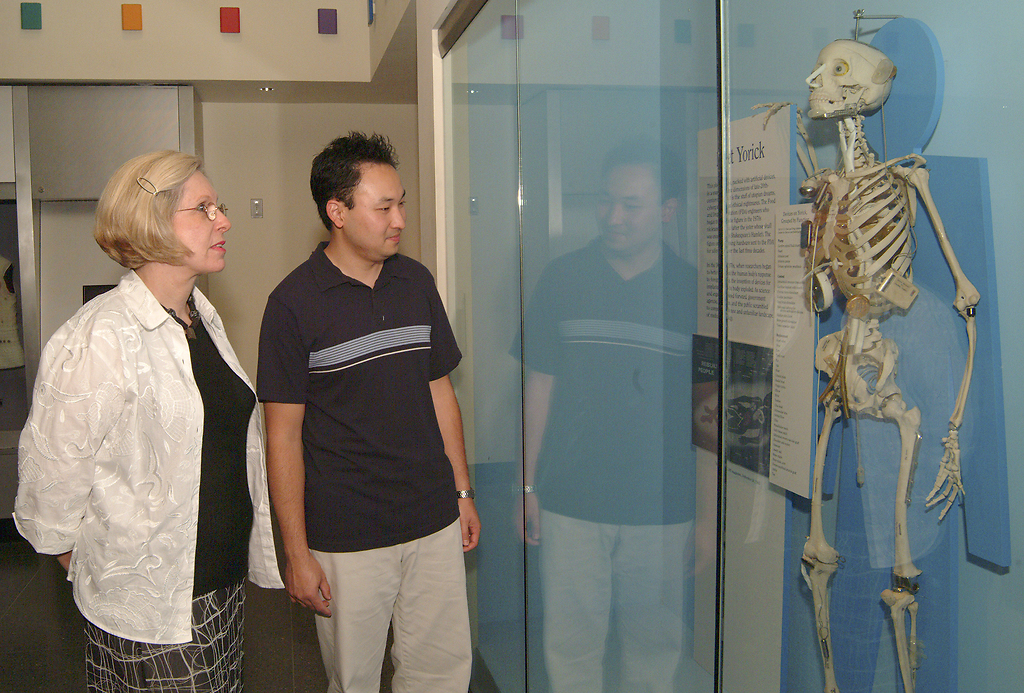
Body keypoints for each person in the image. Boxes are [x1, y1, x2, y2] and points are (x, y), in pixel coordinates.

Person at [13, 150, 283, 692]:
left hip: (217, 589)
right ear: (153, 223)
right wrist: (110, 572)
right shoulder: (100, 337)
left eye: (219, 206)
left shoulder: (200, 317)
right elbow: (51, 483)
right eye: (203, 208)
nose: (223, 219)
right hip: (150, 616)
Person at [257, 131, 480, 693]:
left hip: (432, 518)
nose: (399, 218)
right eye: (384, 207)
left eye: (400, 202)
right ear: (337, 211)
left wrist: (462, 492)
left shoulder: (416, 282)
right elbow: (280, 437)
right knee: (353, 679)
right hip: (347, 535)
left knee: (441, 672)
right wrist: (296, 552)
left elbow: (440, 392)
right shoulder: (293, 304)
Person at [517, 139, 715, 693]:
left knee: (653, 649)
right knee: (571, 647)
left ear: (667, 211)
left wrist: (706, 516)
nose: (613, 216)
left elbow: (709, 415)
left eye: (631, 205)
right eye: (606, 202)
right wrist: (527, 486)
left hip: (660, 506)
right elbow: (540, 386)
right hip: (571, 500)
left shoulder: (691, 291)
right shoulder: (563, 279)